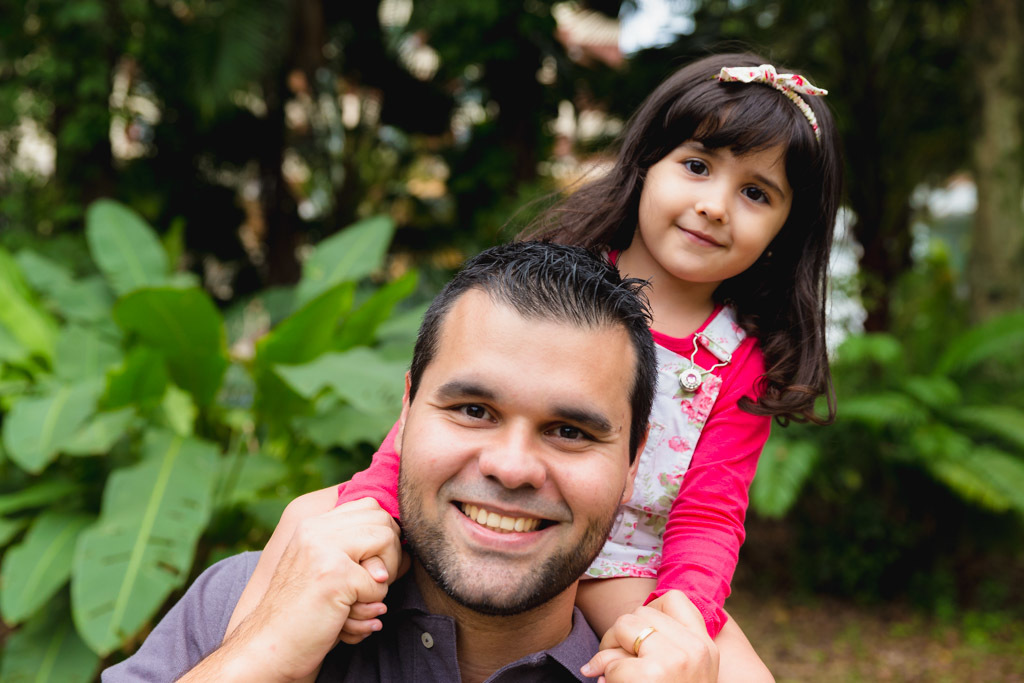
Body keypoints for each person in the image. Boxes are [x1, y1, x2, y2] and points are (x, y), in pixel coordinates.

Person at [229, 50, 842, 680]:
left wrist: (682, 609)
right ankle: (253, 658)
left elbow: (710, 509)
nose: (715, 204)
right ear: (645, 166)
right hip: (465, 509)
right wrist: (377, 504)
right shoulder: (550, 279)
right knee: (310, 522)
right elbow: (438, 409)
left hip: (624, 566)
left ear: (785, 228)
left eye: (755, 192)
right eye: (696, 165)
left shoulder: (743, 357)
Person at [103, 242, 720, 682]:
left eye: (569, 430)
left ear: (634, 463)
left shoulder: (668, 675)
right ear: (406, 411)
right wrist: (257, 657)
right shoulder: (246, 604)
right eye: (474, 410)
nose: (510, 467)